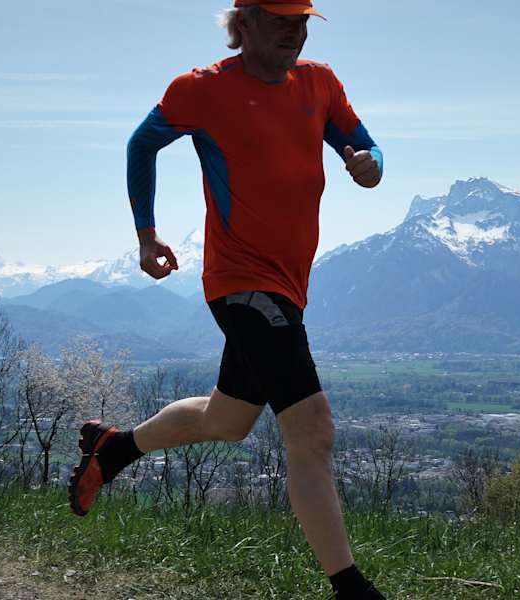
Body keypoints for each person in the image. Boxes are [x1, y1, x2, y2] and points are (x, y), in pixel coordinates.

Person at [65, 1, 386, 598]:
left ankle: (114, 450)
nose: (296, 31)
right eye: (281, 19)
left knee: (227, 420)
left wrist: (369, 164)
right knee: (312, 430)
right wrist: (145, 234)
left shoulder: (319, 83)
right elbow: (141, 144)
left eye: (302, 21)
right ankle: (352, 589)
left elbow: (363, 146)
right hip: (241, 281)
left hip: (289, 285)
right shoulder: (202, 89)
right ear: (245, 23)